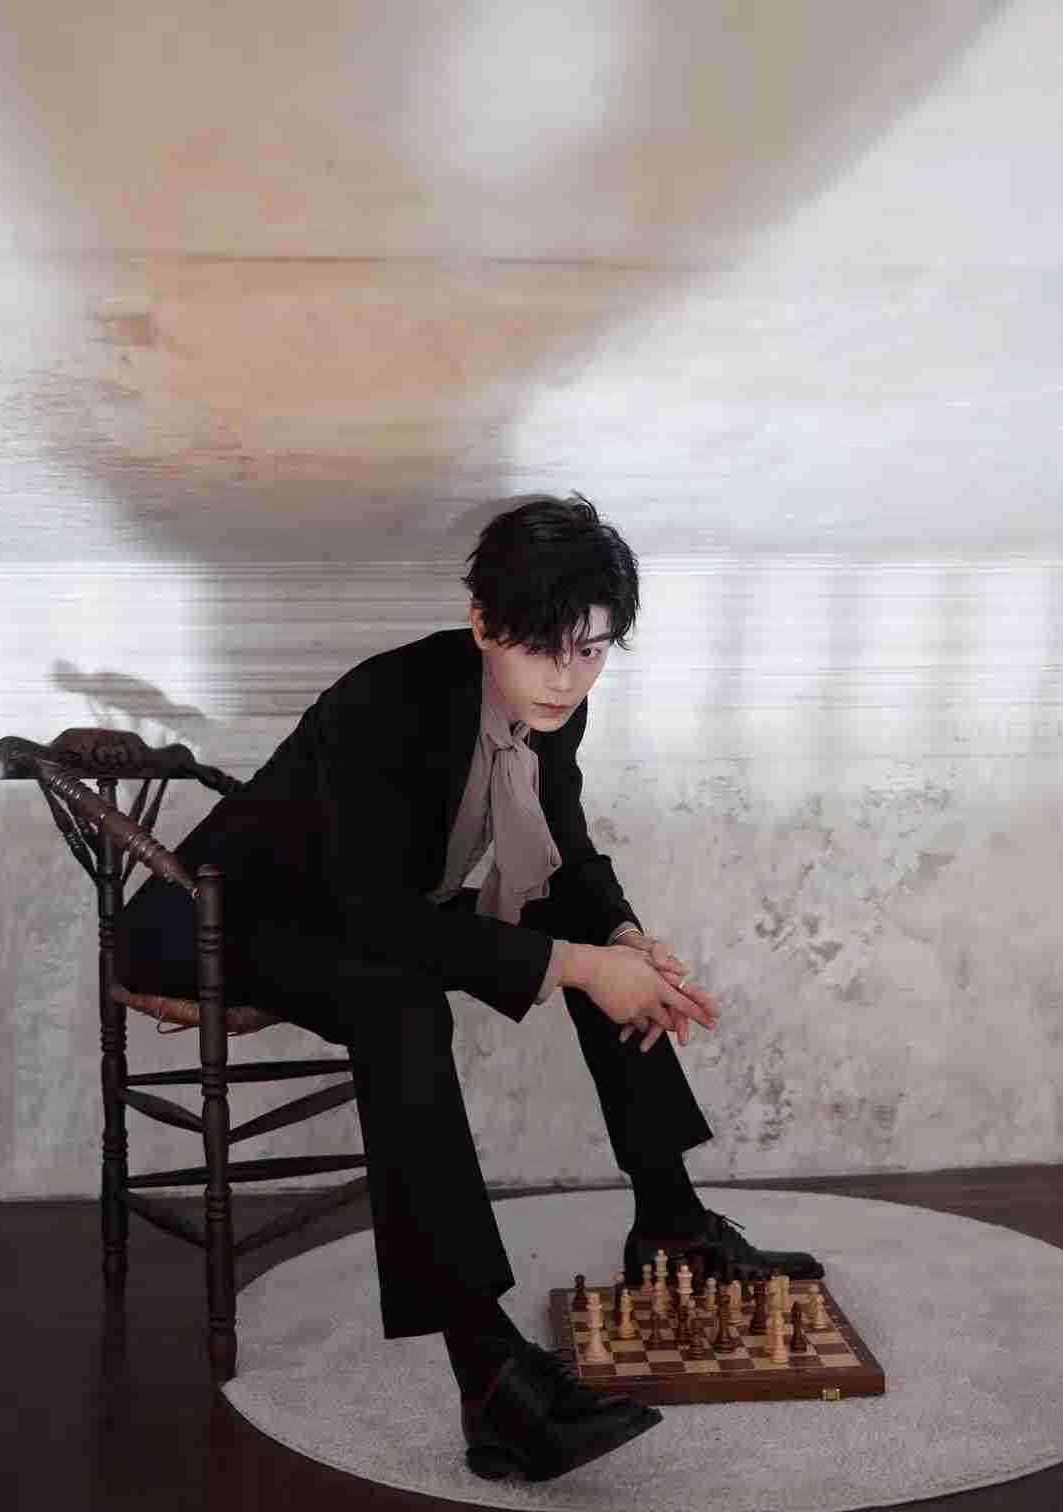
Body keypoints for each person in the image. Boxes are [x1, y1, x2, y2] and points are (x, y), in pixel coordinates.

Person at [115, 493, 822, 1482]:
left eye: (592, 651)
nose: (569, 676)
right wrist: (581, 968)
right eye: (544, 649)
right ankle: (491, 1377)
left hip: (343, 915)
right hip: (207, 921)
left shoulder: (552, 706)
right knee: (399, 999)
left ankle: (670, 1224)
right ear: (483, 622)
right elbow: (377, 917)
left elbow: (564, 846)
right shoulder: (387, 702)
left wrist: (623, 941)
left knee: (585, 936)